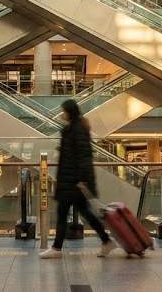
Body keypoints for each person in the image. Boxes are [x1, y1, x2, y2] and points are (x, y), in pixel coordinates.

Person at [40, 99, 117, 259]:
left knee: (64, 213)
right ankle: (106, 241)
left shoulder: (78, 130)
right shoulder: (71, 129)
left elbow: (84, 156)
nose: (62, 114)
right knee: (84, 213)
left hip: (74, 181)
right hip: (70, 180)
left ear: (70, 112)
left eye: (63, 111)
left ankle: (56, 248)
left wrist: (82, 179)